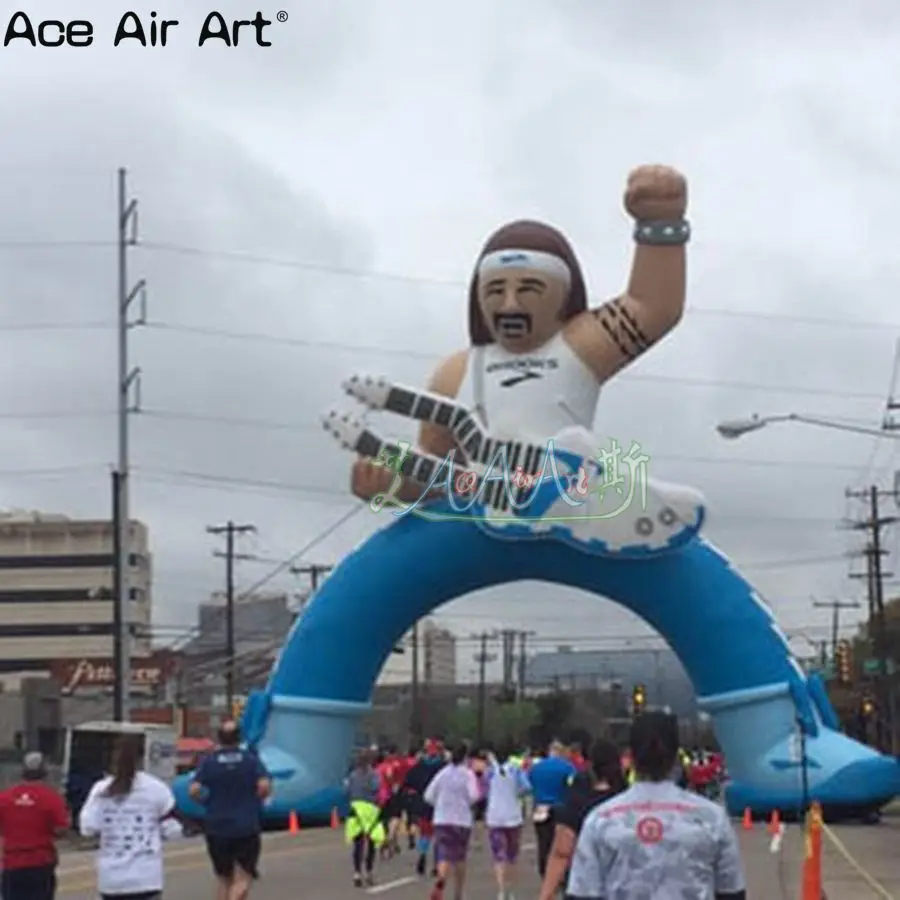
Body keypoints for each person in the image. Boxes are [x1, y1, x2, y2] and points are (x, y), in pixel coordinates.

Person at [567, 712, 747, 900]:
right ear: (676, 756)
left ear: (631, 756)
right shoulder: (711, 818)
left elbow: (582, 893)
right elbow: (732, 892)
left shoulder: (601, 820)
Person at [79, 735, 179, 900]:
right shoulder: (156, 788)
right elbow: (173, 828)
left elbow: (87, 828)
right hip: (146, 877)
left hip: (111, 880)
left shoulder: (101, 789)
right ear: (142, 757)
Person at [190, 720, 271, 900]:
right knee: (244, 876)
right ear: (238, 738)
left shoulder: (209, 761)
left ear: (219, 738)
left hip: (216, 825)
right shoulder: (250, 760)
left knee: (223, 878)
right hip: (245, 825)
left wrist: (206, 801)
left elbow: (194, 790)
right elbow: (264, 786)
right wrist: (257, 799)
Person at [537, 739, 625, 900]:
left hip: (585, 886)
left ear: (591, 766)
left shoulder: (578, 800)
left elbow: (561, 852)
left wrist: (546, 894)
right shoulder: (626, 800)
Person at [0, 751, 69, 900]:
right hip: (40, 863)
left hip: (12, 863)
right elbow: (61, 829)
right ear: (44, 772)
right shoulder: (52, 797)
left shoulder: (4, 797)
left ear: (22, 771)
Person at [423, 743, 481, 900]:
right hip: (461, 820)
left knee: (444, 854)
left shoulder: (442, 774)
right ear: (466, 757)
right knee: (459, 857)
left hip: (442, 819)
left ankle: (441, 879)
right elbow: (474, 796)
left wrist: (440, 804)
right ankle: (458, 893)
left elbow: (428, 795)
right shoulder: (468, 774)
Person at [484, 743, 532, 900]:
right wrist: (517, 794)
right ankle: (510, 891)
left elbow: (484, 788)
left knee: (499, 855)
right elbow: (526, 788)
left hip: (495, 817)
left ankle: (501, 890)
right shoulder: (516, 769)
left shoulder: (490, 771)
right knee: (512, 856)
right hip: (513, 817)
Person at [528, 740, 577, 878]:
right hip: (560, 806)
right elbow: (572, 786)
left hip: (540, 807)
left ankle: (544, 871)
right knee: (560, 842)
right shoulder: (567, 767)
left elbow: (530, 784)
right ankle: (561, 874)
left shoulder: (536, 768)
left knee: (543, 841)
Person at [402, 739, 446, 877]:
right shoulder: (443, 767)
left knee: (425, 833)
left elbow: (408, 783)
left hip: (423, 803)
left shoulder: (419, 766)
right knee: (439, 835)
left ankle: (422, 854)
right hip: (440, 804)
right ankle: (436, 864)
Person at [344, 749, 384, 886]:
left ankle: (357, 873)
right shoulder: (374, 775)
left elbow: (347, 792)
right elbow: (376, 788)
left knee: (358, 844)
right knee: (371, 843)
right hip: (370, 810)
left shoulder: (352, 776)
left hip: (355, 809)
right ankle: (369, 871)